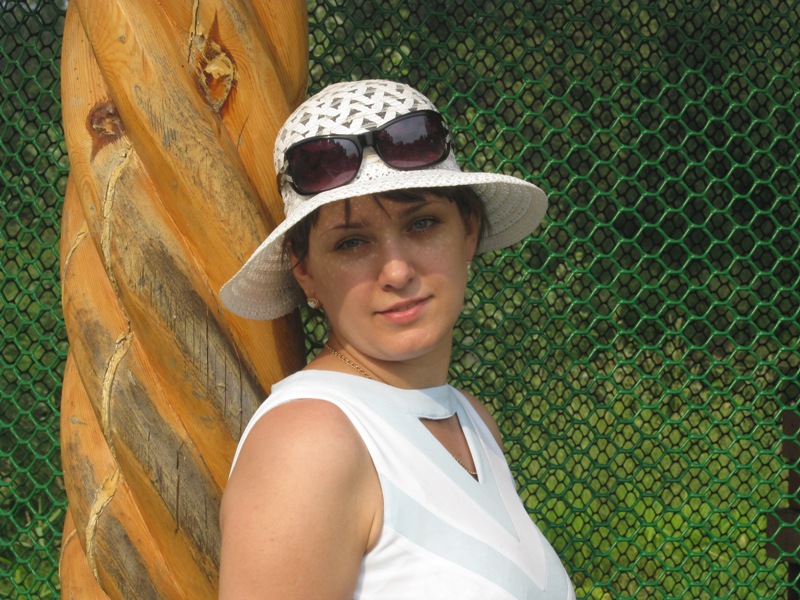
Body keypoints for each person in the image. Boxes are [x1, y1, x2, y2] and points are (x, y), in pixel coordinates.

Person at [217, 79, 575, 599]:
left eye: (422, 223)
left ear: (468, 231)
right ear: (305, 271)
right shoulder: (310, 442)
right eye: (352, 243)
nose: (397, 270)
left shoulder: (472, 421)